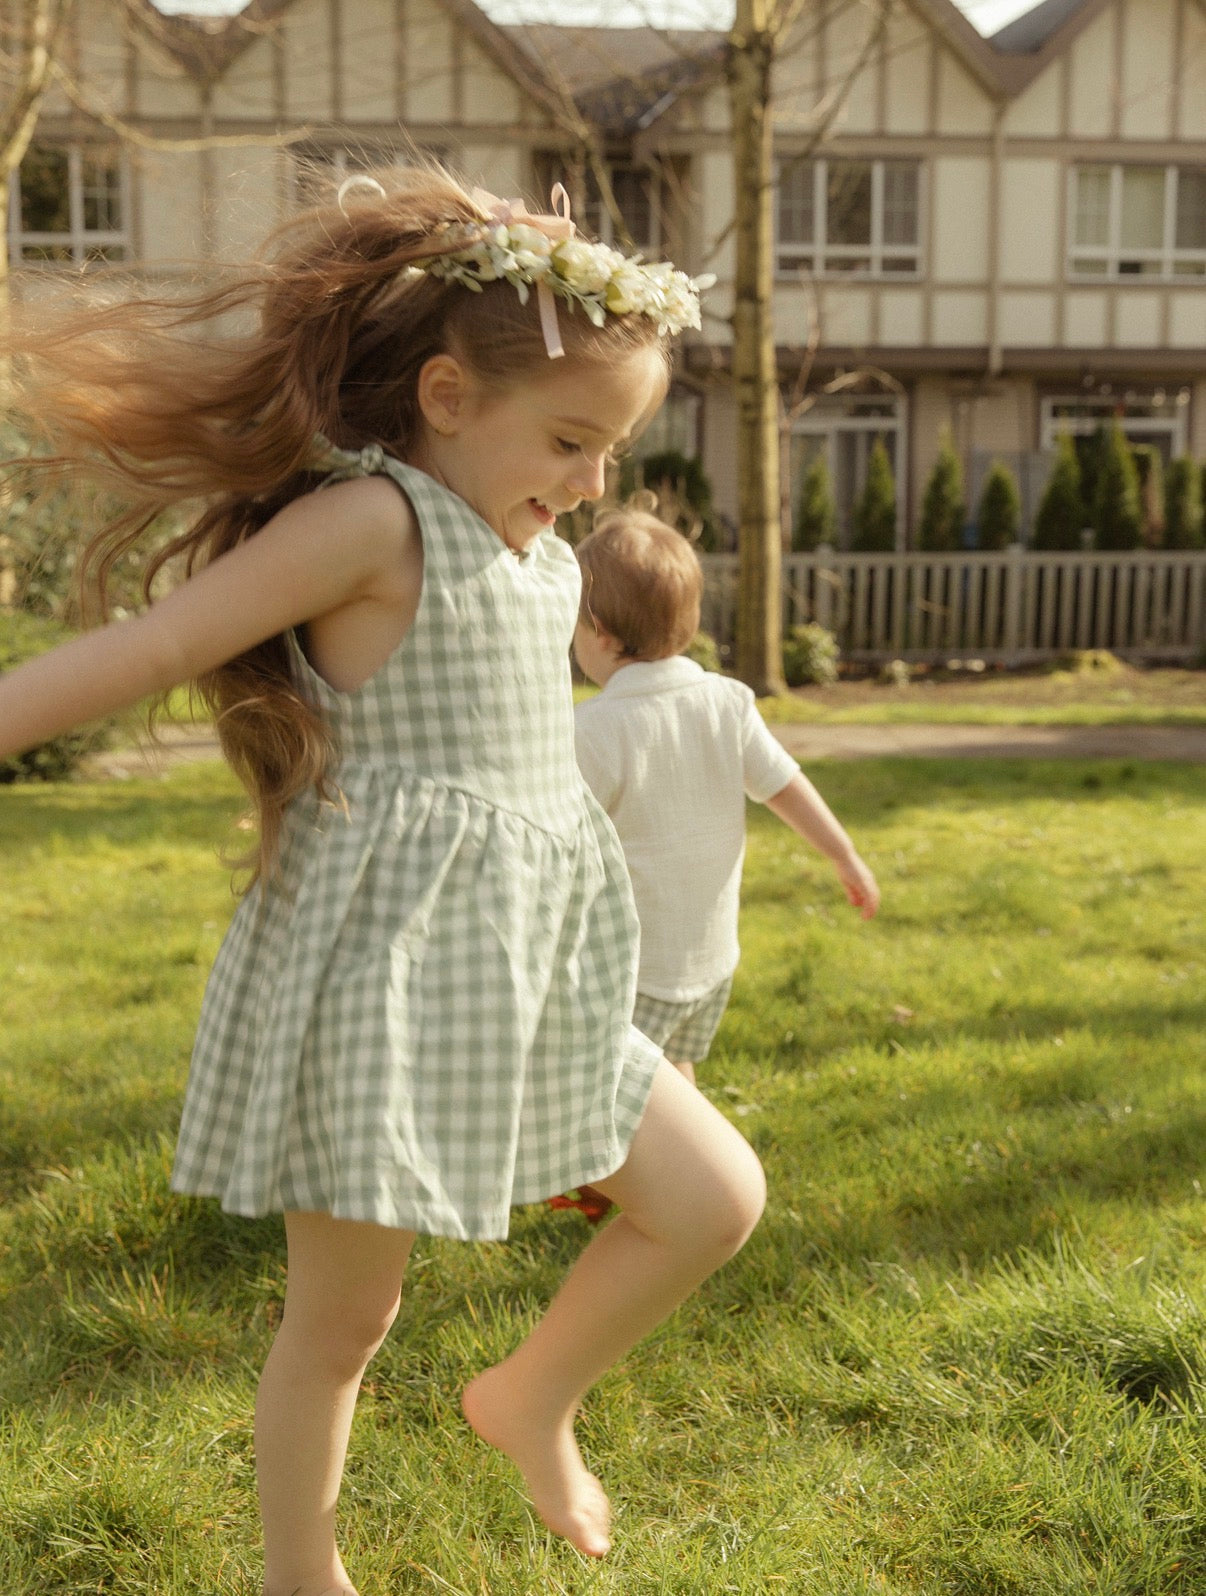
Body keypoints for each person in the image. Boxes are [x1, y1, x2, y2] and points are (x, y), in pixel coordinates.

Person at [0, 165, 766, 1594]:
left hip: (527, 985)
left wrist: (520, 264)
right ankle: (306, 1579)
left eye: (612, 452)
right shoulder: (375, 526)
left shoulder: (536, 557)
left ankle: (529, 1395)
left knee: (714, 1198)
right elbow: (153, 651)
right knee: (347, 1320)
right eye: (570, 438)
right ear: (443, 397)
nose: (592, 482)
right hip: (385, 986)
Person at [572, 509, 880, 1091]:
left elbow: (555, 839)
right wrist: (844, 854)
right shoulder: (726, 703)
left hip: (633, 972)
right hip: (710, 961)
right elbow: (785, 784)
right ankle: (692, 1164)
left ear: (602, 633)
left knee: (624, 1101)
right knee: (674, 1078)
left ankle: (662, 1181)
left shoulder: (596, 730)